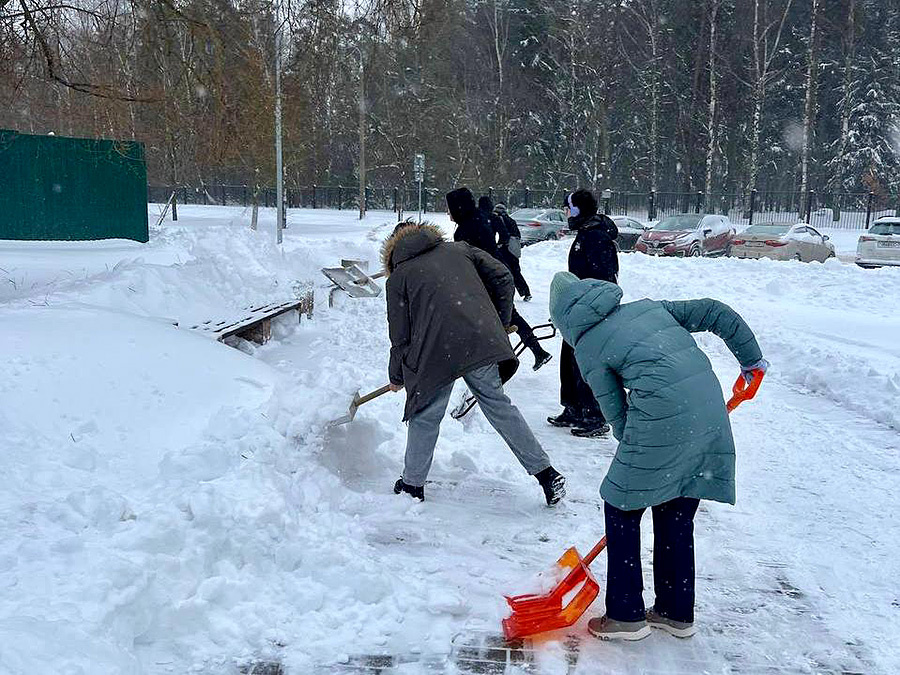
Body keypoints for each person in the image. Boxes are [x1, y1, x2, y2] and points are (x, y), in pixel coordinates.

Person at [548, 270, 768, 640]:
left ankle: (625, 615)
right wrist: (752, 361)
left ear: (565, 320)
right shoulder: (651, 309)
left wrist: (637, 452)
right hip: (709, 414)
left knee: (621, 504)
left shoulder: (587, 345)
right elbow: (715, 311)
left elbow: (615, 412)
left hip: (662, 422)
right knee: (676, 506)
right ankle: (675, 611)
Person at [382, 220, 566, 506]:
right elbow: (504, 276)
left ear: (394, 249)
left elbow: (400, 335)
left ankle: (412, 485)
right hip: (480, 337)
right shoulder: (460, 250)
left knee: (426, 414)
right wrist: (499, 321)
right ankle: (546, 473)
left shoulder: (399, 276)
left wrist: (397, 375)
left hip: (436, 353)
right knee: (499, 406)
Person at [446, 187, 552, 371]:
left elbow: (467, 263)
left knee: (496, 324)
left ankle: (504, 362)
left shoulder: (464, 230)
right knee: (510, 316)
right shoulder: (479, 219)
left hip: (487, 282)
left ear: (458, 208)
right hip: (498, 273)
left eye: (449, 207)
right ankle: (535, 351)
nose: (448, 212)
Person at [547, 189, 619, 438]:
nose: (566, 214)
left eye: (568, 209)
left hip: (591, 312)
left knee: (586, 364)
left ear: (578, 210)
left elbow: (603, 280)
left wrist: (591, 310)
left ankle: (594, 415)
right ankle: (574, 407)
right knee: (569, 360)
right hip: (577, 310)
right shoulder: (585, 234)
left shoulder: (596, 237)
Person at [489, 199, 532, 301]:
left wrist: (499, 245)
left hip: (506, 248)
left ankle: (505, 293)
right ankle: (526, 292)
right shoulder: (510, 220)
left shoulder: (500, 219)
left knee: (504, 271)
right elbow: (516, 234)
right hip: (514, 248)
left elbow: (504, 235)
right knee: (516, 271)